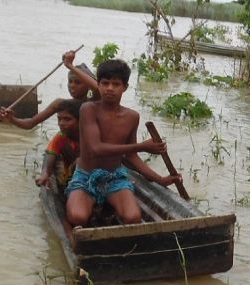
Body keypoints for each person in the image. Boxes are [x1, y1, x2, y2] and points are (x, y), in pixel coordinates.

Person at [65, 59, 180, 232]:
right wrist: (142, 146)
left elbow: (131, 157)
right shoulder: (88, 109)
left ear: (125, 87)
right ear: (98, 84)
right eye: (105, 83)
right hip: (86, 177)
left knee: (133, 217)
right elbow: (96, 148)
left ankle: (106, 203)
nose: (110, 88)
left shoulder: (132, 116)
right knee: (77, 217)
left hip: (114, 177)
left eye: (116, 84)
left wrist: (160, 179)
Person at [0, 50, 99, 129]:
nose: (72, 85)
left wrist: (69, 66)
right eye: (70, 81)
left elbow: (97, 88)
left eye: (77, 82)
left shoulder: (94, 102)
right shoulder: (60, 104)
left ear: (88, 85)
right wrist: (12, 119)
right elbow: (31, 123)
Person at [36, 99, 82, 190]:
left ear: (81, 120)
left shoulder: (91, 135)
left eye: (67, 119)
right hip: (71, 173)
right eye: (59, 119)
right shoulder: (61, 136)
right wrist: (46, 174)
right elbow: (51, 154)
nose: (61, 123)